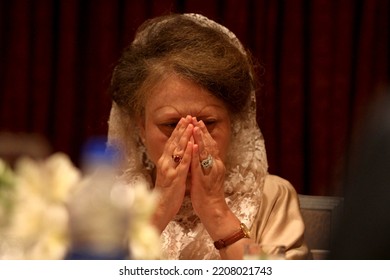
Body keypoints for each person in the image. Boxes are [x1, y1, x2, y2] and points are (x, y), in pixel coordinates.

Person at [107, 13, 308, 260]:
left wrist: (217, 212)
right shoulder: (109, 198)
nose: (191, 143)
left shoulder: (271, 196)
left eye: (209, 123)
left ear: (234, 123)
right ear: (141, 126)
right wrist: (158, 211)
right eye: (171, 125)